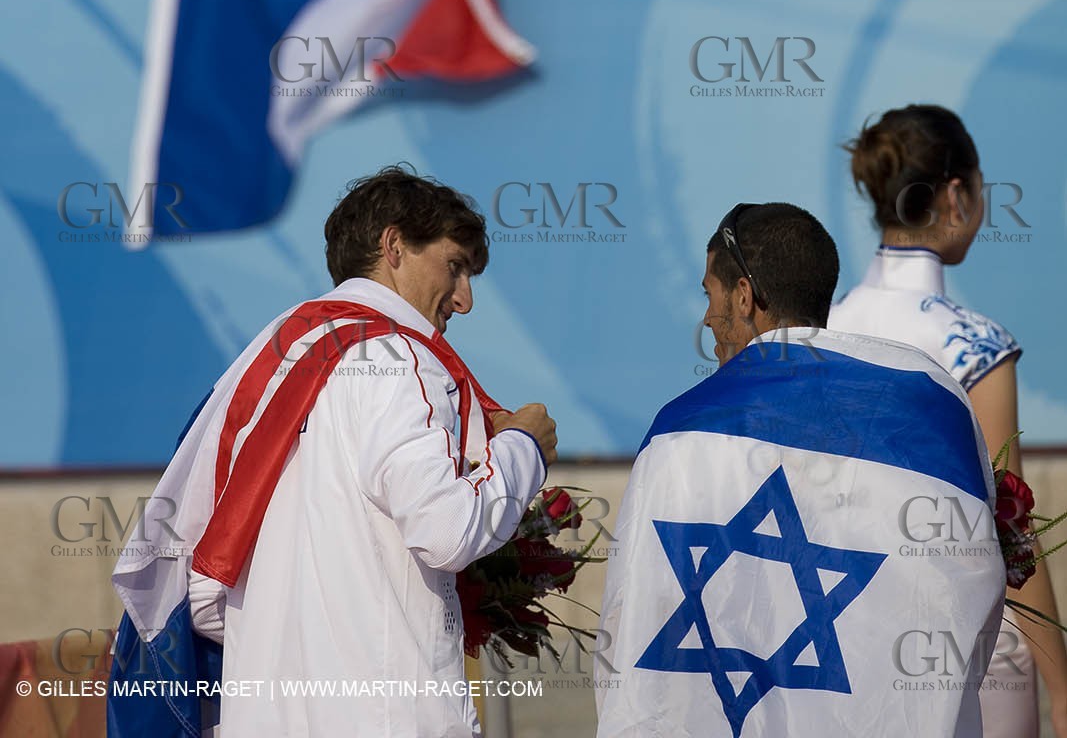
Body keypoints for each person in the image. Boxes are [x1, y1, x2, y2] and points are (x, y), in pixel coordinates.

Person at [111, 164, 557, 738]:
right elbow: (447, 530)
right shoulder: (396, 359)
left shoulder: (264, 361)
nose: (465, 300)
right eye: (455, 267)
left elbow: (198, 586)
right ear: (394, 245)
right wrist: (524, 448)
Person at [596, 201, 1005, 738]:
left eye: (709, 294)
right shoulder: (931, 404)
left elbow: (635, 619)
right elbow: (970, 591)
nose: (705, 317)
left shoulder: (682, 430)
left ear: (744, 297)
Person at [829, 105, 1067, 738]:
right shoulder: (976, 345)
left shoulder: (825, 332)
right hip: (963, 652)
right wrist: (1063, 688)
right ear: (957, 195)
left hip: (834, 637)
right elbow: (1011, 530)